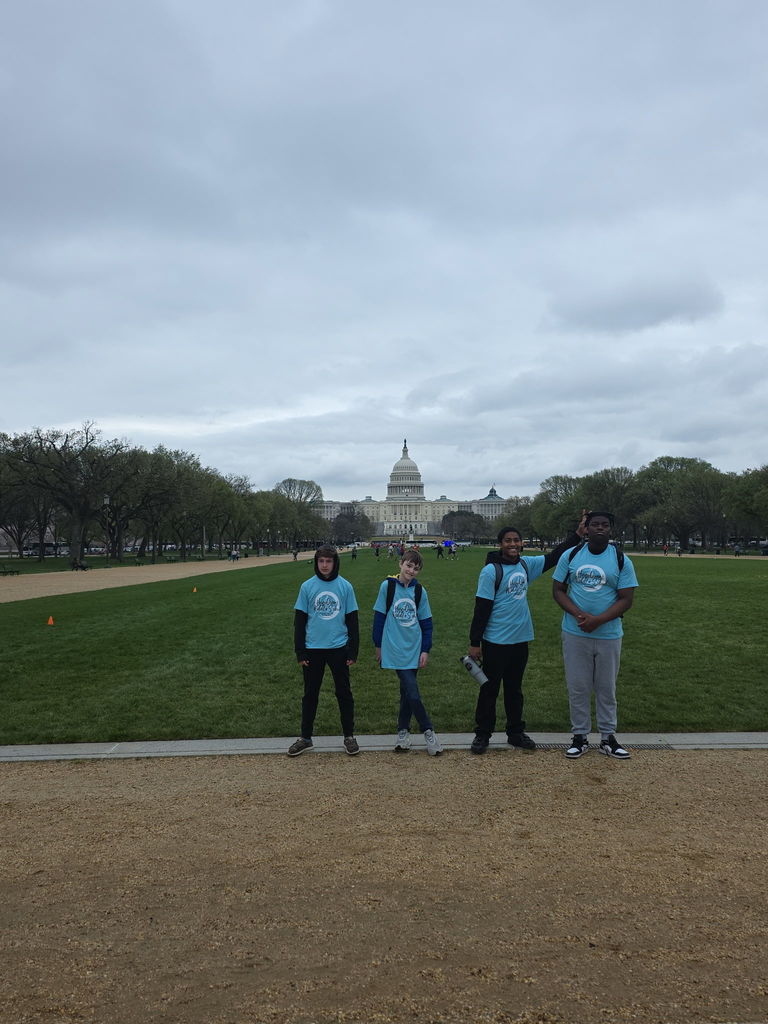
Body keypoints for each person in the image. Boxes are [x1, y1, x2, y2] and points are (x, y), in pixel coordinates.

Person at [467, 521, 584, 755]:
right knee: (489, 689)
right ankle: (482, 733)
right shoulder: (491, 571)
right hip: (496, 640)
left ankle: (515, 732)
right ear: (500, 544)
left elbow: (553, 558)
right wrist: (475, 642)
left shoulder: (524, 564)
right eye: (508, 540)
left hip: (520, 638)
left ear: (521, 544)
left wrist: (577, 536)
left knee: (514, 689)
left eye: (516, 540)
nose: (513, 544)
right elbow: (482, 608)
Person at [552, 511, 639, 760]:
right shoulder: (571, 555)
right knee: (577, 686)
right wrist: (579, 615)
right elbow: (558, 590)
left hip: (609, 633)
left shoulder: (622, 560)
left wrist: (598, 620)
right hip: (575, 631)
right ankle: (579, 736)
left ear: (611, 530)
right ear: (586, 529)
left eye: (605, 525)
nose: (600, 528)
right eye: (595, 525)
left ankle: (607, 737)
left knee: (606, 688)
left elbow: (627, 599)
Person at [288, 545, 360, 757]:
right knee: (310, 695)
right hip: (312, 649)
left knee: (344, 693)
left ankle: (349, 735)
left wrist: (352, 651)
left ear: (335, 562)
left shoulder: (345, 587)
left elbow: (352, 620)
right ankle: (306, 737)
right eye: (321, 561)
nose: (325, 565)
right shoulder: (307, 587)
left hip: (338, 648)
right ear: (317, 563)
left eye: (329, 561)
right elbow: (299, 622)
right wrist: (300, 652)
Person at [373, 548, 442, 756]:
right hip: (394, 648)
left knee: (407, 692)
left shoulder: (420, 591)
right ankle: (428, 730)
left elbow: (426, 624)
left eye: (416, 568)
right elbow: (378, 619)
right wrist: (378, 646)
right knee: (412, 690)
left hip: (413, 647)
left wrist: (425, 650)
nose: (411, 571)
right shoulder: (387, 587)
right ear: (401, 564)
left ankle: (403, 733)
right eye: (409, 566)